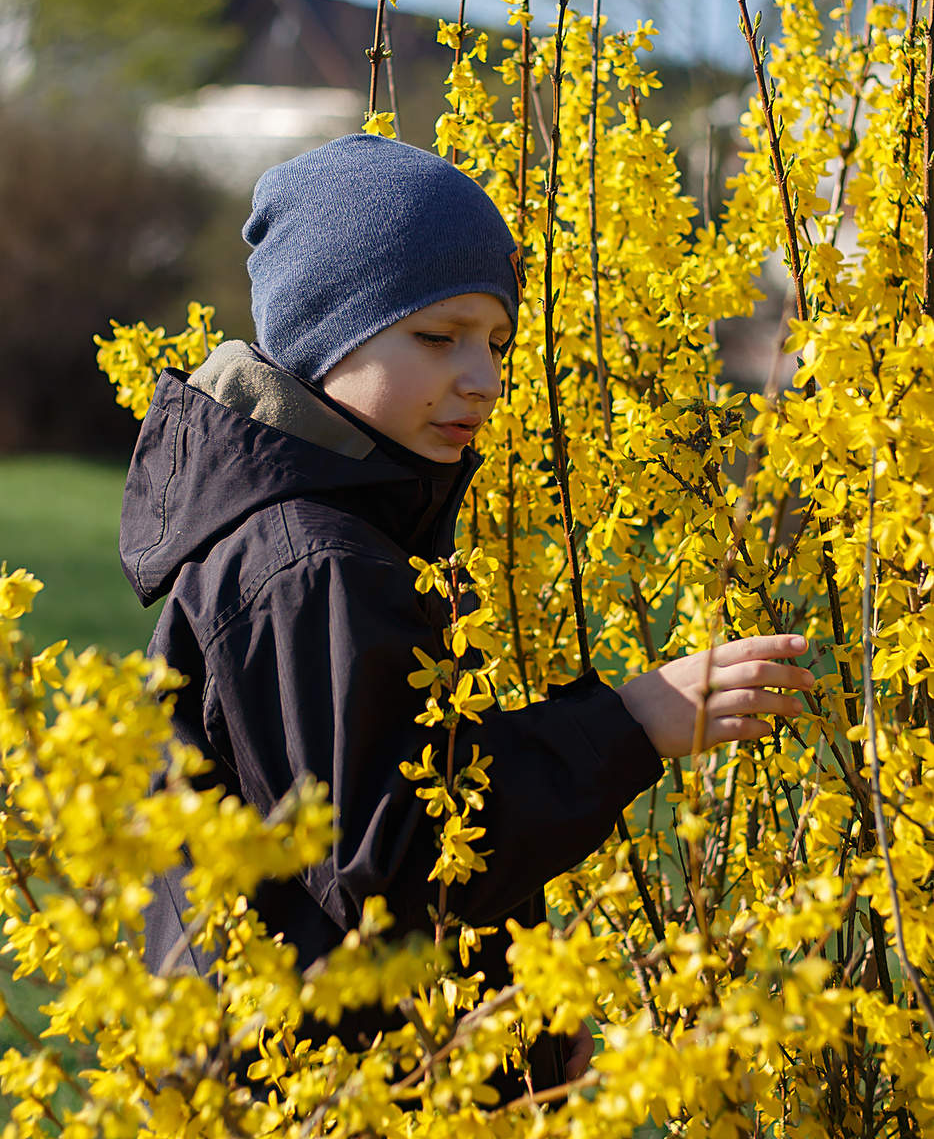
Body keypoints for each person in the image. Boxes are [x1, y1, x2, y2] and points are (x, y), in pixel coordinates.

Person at [119, 132, 814, 1101]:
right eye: (438, 337)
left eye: (496, 342)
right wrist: (628, 724)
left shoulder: (353, 540)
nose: (482, 378)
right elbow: (396, 859)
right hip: (315, 1095)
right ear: (326, 338)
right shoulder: (308, 564)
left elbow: (416, 829)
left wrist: (514, 1020)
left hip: (376, 1073)